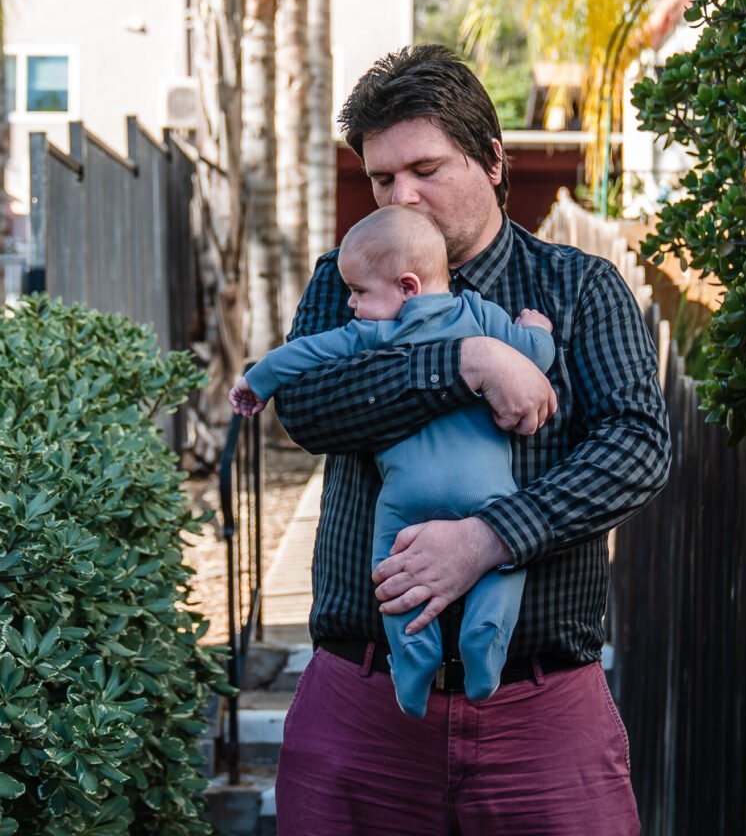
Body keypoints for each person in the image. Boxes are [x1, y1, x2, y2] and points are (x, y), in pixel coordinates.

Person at [270, 45, 671, 836]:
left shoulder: (577, 289)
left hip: (542, 710)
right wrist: (464, 363)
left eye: (425, 169)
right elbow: (308, 408)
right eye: (383, 178)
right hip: (365, 702)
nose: (402, 197)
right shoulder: (344, 279)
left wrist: (489, 539)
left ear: (491, 159)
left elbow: (635, 448)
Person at [228, 204, 555, 717]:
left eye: (359, 292)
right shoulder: (483, 316)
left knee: (390, 571)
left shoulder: (376, 334)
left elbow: (305, 354)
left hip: (405, 496)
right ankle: (485, 640)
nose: (351, 304)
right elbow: (534, 357)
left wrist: (256, 382)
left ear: (407, 288)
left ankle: (412, 658)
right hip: (487, 491)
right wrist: (538, 331)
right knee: (505, 563)